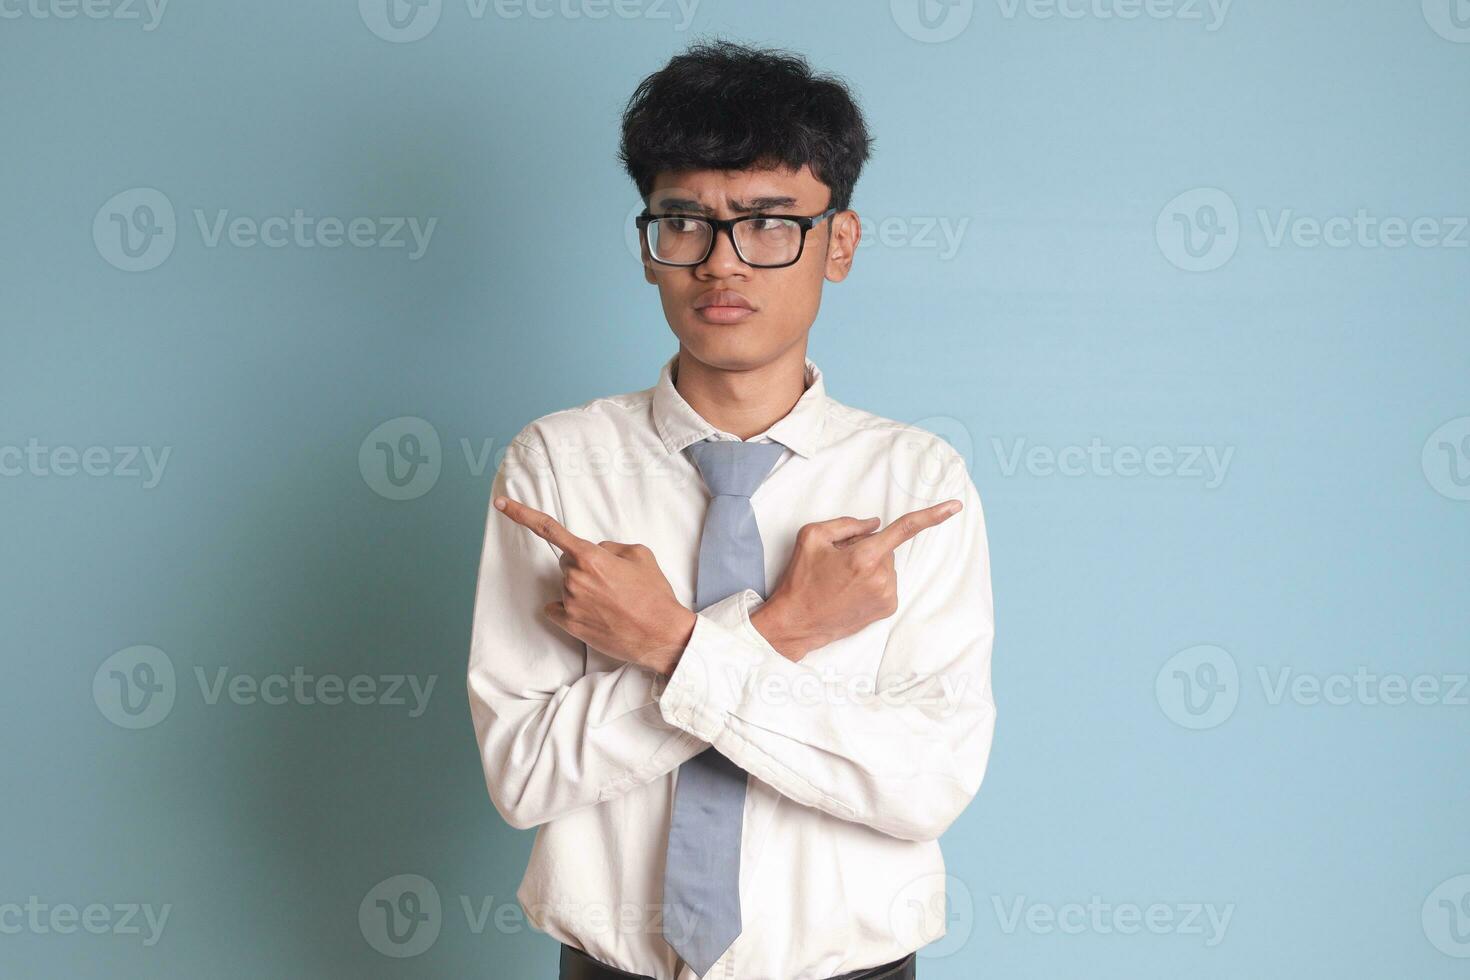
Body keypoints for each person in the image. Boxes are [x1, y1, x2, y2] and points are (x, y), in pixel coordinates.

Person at [467, 38, 996, 980]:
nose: (722, 264)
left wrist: (669, 642)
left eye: (767, 223)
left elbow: (922, 786)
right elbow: (525, 775)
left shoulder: (918, 487)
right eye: (686, 222)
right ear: (647, 246)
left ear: (838, 243)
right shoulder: (558, 466)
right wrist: (787, 628)